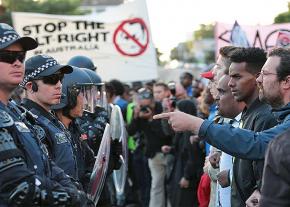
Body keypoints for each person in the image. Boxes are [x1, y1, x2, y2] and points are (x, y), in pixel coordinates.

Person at [0, 23, 87, 206]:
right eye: (6, 56)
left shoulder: (16, 113)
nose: (17, 62)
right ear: (31, 86)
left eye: (20, 56)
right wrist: (72, 199)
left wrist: (74, 191)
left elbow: (47, 165)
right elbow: (19, 188)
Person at [153, 47, 290, 161]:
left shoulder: (266, 117)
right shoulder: (274, 115)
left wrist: (196, 124)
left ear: (286, 81)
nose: (258, 79)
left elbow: (260, 145)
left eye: (265, 74)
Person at [228, 47, 277, 207]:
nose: (230, 83)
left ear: (258, 78)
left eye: (237, 77)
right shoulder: (249, 113)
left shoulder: (266, 116)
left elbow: (265, 173)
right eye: (230, 77)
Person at [20, 54, 82, 180]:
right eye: (52, 79)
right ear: (31, 86)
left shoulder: (50, 118)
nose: (59, 85)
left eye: (60, 78)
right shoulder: (27, 122)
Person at [128, 88, 172, 207]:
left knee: (170, 185)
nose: (143, 106)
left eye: (145, 103)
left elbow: (165, 133)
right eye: (141, 103)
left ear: (151, 100)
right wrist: (136, 117)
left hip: (168, 151)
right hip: (153, 154)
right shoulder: (139, 111)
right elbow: (131, 132)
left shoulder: (161, 108)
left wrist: (151, 119)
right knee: (156, 185)